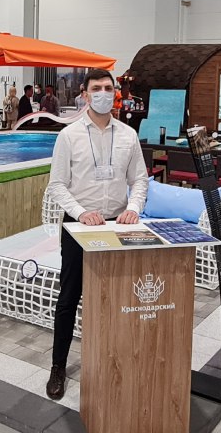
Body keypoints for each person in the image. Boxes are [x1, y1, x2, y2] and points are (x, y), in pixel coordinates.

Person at [44, 69, 148, 400]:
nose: (103, 93)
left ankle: (114, 362)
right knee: (69, 297)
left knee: (116, 297)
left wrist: (134, 207)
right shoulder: (69, 136)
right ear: (86, 94)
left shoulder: (129, 135)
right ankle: (58, 366)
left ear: (115, 93)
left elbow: (140, 179)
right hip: (79, 227)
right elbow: (57, 184)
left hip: (117, 225)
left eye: (108, 88)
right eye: (96, 88)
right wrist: (80, 212)